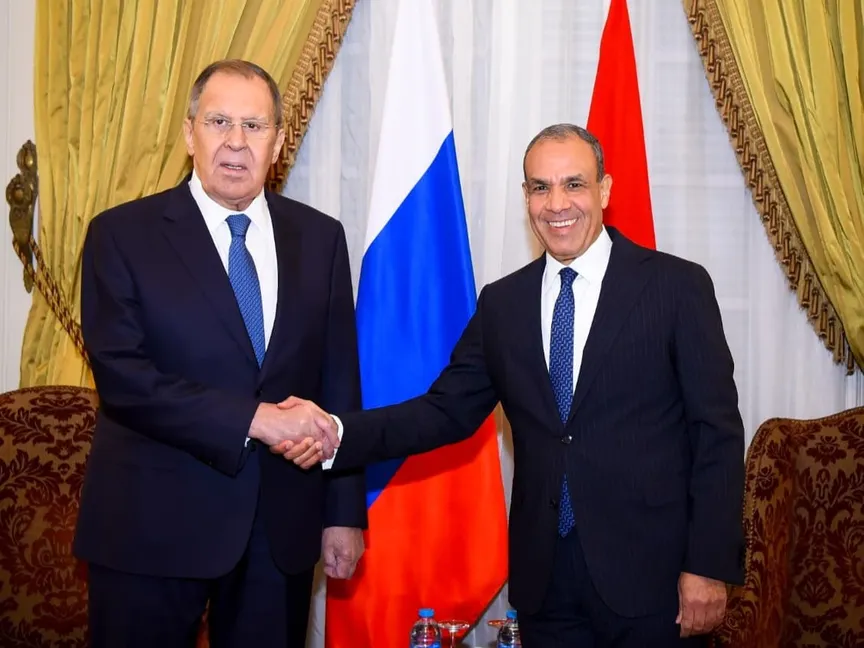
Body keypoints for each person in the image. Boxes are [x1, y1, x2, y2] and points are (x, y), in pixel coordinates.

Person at [278, 124, 746, 647]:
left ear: (605, 190)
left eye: (574, 184)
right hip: (547, 583)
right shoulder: (503, 303)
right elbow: (443, 411)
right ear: (526, 197)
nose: (557, 203)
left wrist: (707, 564)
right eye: (541, 187)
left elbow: (717, 435)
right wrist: (335, 432)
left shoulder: (675, 287)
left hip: (654, 580)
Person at [74, 59, 358, 648]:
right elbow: (124, 379)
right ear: (189, 133)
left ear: (278, 141)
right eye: (218, 121)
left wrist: (343, 512)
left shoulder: (321, 237)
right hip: (150, 525)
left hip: (278, 532)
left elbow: (339, 380)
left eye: (254, 126)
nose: (235, 141)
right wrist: (256, 419)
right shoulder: (120, 235)